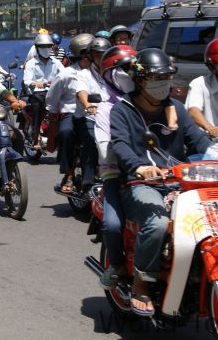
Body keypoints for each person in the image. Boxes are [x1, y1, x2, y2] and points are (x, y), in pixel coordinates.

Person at [110, 48, 218, 317]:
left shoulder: (178, 109)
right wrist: (140, 167)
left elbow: (200, 141)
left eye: (166, 77)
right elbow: (121, 146)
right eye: (156, 77)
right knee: (158, 222)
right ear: (140, 80)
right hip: (141, 185)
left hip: (180, 182)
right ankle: (142, 284)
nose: (163, 82)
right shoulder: (122, 110)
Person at [90, 45, 138, 290]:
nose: (130, 74)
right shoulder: (106, 109)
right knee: (112, 224)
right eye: (124, 70)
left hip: (156, 176)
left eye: (133, 69)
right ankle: (117, 266)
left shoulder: (148, 101)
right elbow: (106, 147)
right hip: (118, 175)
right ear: (110, 74)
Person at [45, 33, 95, 194]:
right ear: (83, 54)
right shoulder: (66, 74)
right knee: (66, 133)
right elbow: (52, 97)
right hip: (71, 114)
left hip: (97, 114)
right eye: (94, 52)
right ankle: (69, 174)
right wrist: (52, 116)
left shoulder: (100, 72)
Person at [73, 38, 112, 190]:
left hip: (113, 116)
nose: (100, 58)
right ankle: (88, 181)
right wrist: (88, 104)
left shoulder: (115, 73)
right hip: (90, 117)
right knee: (91, 140)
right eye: (97, 55)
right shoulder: (84, 74)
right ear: (90, 56)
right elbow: (82, 92)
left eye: (103, 54)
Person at [22, 33, 63, 148]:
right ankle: (35, 135)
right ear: (37, 48)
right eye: (42, 46)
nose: (46, 49)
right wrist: (36, 83)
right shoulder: (31, 64)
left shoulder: (56, 63)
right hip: (38, 93)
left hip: (54, 93)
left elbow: (65, 75)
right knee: (37, 103)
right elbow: (27, 81)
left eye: (48, 46)